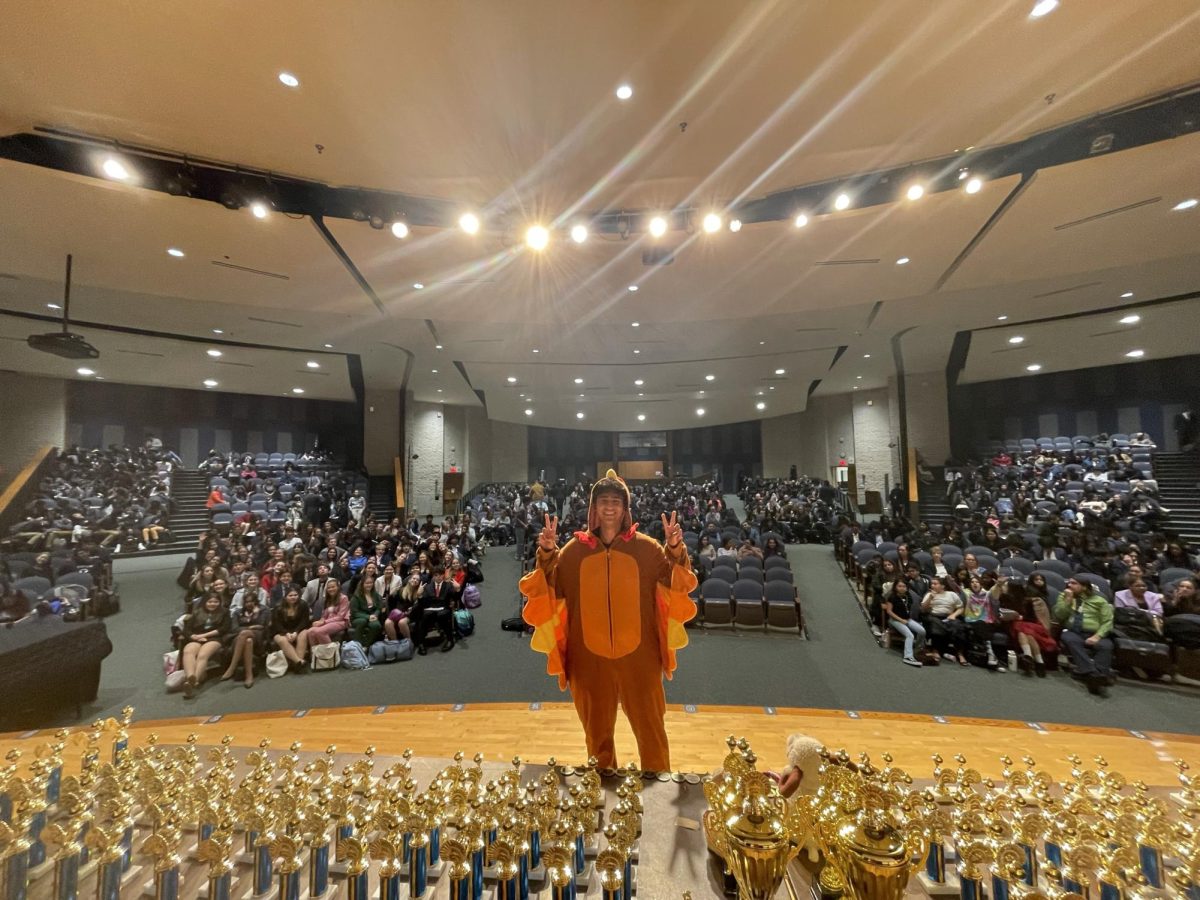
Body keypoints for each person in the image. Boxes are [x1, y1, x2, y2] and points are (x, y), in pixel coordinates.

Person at [519, 469, 697, 773]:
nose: (610, 506)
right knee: (597, 739)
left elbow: (676, 582)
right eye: (604, 501)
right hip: (588, 659)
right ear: (593, 509)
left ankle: (659, 798)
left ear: (626, 509)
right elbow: (550, 589)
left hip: (640, 656)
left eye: (616, 501)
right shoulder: (573, 553)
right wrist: (547, 553)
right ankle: (600, 794)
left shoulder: (648, 549)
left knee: (652, 734)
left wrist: (675, 549)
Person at [1053, 576, 1114, 696]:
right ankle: (1095, 675)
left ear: (1084, 587)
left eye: (1074, 583)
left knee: (1106, 646)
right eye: (1069, 583)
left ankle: (1092, 676)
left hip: (1094, 633)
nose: (1069, 585)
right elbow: (1059, 616)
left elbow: (1107, 621)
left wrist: (1098, 636)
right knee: (1070, 640)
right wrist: (1068, 600)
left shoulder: (1100, 601)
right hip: (1073, 632)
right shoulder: (1064, 596)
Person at [179, 593, 231, 699]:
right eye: (210, 602)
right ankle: (190, 678)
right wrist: (194, 637)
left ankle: (194, 681)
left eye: (216, 602)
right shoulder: (197, 612)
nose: (213, 604)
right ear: (205, 602)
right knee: (188, 651)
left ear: (220, 602)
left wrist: (204, 635)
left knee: (203, 655)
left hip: (214, 638)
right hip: (196, 637)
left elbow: (224, 628)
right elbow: (187, 630)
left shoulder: (225, 612)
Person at [220, 591, 270, 688]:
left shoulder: (263, 610)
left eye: (251, 602)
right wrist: (252, 627)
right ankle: (249, 676)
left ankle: (232, 667)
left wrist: (256, 614)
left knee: (244, 633)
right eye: (246, 602)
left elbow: (262, 625)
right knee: (248, 641)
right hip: (239, 637)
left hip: (258, 637)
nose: (249, 604)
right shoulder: (237, 612)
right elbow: (234, 628)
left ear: (256, 602)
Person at [298, 579, 351, 661]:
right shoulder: (328, 599)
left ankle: (331, 656)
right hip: (328, 622)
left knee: (320, 631)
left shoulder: (343, 598)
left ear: (338, 587)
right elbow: (325, 615)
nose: (331, 589)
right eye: (329, 588)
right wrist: (319, 621)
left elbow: (340, 616)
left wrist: (323, 622)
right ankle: (316, 657)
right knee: (310, 631)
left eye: (333, 587)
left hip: (341, 622)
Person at [921, 576, 969, 666]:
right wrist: (930, 598)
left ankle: (960, 653)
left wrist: (953, 615)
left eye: (935, 584)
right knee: (935, 626)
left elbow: (960, 608)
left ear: (942, 586)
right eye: (932, 584)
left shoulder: (951, 594)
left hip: (949, 616)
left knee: (959, 628)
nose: (933, 585)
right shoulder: (929, 594)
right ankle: (936, 650)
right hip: (934, 616)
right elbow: (923, 610)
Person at [412, 567, 457, 655]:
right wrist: (419, 595)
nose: (439, 577)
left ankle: (450, 639)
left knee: (442, 615)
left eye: (440, 575)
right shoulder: (427, 587)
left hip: (444, 608)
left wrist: (458, 590)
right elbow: (422, 603)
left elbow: (455, 598)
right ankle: (421, 642)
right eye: (436, 575)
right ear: (433, 576)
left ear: (443, 575)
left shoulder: (448, 585)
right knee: (425, 615)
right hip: (430, 608)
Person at [882, 579, 925, 667]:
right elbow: (889, 611)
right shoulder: (892, 597)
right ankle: (908, 656)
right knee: (910, 635)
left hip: (907, 619)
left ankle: (916, 650)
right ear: (895, 587)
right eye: (899, 586)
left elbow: (908, 609)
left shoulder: (908, 596)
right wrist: (901, 620)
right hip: (895, 620)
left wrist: (907, 620)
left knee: (922, 631)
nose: (902, 588)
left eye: (904, 586)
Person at [271, 586, 313, 674]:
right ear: (285, 597)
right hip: (281, 631)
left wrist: (296, 632)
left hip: (298, 629)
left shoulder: (303, 604)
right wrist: (286, 633)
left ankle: (297, 664)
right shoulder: (278, 606)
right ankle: (299, 662)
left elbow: (304, 621)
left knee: (304, 634)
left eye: (295, 595)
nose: (293, 597)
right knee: (282, 640)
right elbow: (276, 624)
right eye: (290, 595)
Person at [349, 574, 383, 646]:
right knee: (362, 621)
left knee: (376, 625)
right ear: (362, 584)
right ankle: (357, 644)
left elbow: (379, 608)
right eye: (367, 583)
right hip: (358, 617)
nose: (369, 585)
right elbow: (354, 612)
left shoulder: (375, 594)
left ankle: (366, 644)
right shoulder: (356, 596)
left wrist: (375, 615)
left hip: (372, 616)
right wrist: (368, 617)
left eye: (371, 583)